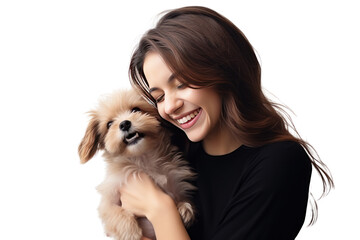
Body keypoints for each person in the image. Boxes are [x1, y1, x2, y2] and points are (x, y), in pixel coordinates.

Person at [120, 6, 334, 240]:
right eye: (159, 97)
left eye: (181, 84)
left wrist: (159, 209)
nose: (169, 107)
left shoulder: (280, 161)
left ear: (223, 71)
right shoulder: (176, 160)